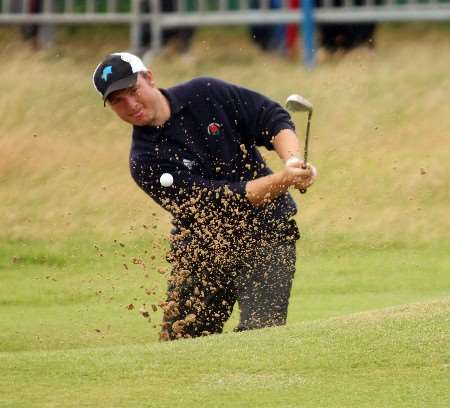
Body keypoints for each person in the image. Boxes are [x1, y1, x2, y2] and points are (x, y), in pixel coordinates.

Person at [92, 52, 317, 340]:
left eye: (133, 91)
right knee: (183, 345)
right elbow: (224, 200)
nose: (131, 105)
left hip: (268, 233)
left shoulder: (205, 93)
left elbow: (270, 118)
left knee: (262, 335)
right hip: (203, 249)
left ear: (149, 78)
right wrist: (283, 180)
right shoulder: (145, 161)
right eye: (117, 101)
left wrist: (293, 162)